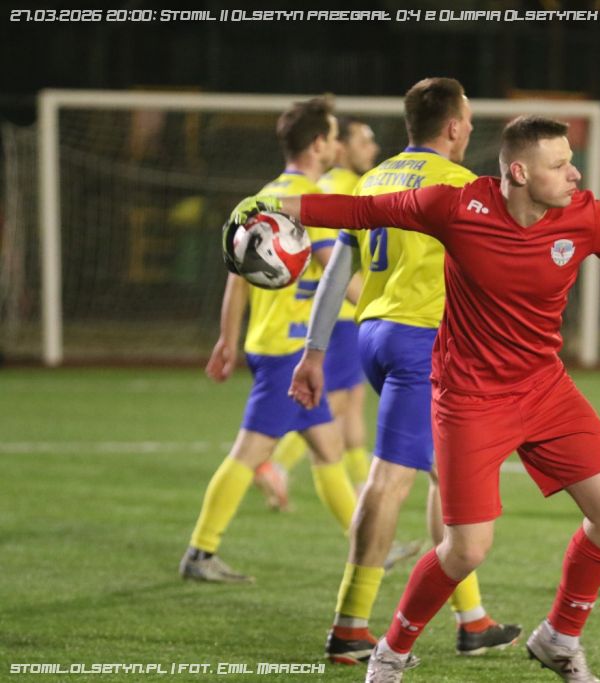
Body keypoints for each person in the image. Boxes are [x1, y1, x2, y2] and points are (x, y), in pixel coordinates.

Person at [232, 114, 600, 682]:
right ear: (519, 172)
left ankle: (559, 638)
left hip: (544, 388)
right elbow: (360, 211)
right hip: (469, 398)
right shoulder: (456, 206)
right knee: (465, 550)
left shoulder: (584, 214)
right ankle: (391, 653)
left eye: (571, 162)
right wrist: (276, 206)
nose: (575, 174)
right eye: (559, 165)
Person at [295, 79, 521, 665]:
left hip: (376, 335)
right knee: (390, 478)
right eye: (468, 121)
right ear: (454, 126)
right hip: (423, 342)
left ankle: (472, 619)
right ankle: (350, 625)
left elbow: (337, 269)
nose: (470, 130)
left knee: (448, 475)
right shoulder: (461, 185)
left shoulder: (373, 179)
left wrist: (315, 351)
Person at [179, 97, 358, 583]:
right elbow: (337, 272)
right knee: (249, 453)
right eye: (333, 135)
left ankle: (368, 547)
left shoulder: (263, 197)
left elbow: (236, 279)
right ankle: (200, 552)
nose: (337, 144)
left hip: (269, 342)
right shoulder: (308, 199)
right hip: (288, 351)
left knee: (328, 449)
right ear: (318, 144)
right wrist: (386, 307)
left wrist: (227, 339)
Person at [253, 117, 380, 509]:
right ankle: (277, 464)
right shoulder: (339, 187)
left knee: (351, 402)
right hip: (341, 314)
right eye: (363, 141)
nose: (373, 149)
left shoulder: (343, 183)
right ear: (338, 147)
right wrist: (376, 304)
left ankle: (361, 486)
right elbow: (333, 261)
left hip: (347, 311)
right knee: (333, 403)